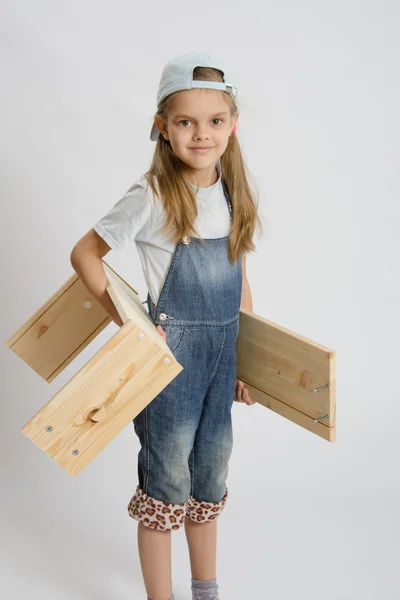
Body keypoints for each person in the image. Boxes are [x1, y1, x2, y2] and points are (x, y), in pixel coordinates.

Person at [70, 50, 263, 600]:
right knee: (167, 482)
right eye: (185, 122)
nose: (201, 135)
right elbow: (86, 254)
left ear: (233, 124)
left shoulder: (232, 191)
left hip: (222, 355)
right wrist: (130, 327)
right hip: (170, 361)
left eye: (215, 121)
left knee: (210, 475)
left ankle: (206, 590)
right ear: (162, 126)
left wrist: (245, 360)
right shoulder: (152, 194)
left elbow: (239, 277)